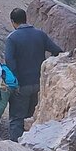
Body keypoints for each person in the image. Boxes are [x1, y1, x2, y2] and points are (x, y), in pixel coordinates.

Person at [5, 8, 62, 142]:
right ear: (26, 19)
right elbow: (57, 51)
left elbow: (9, 61)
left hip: (21, 84)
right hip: (39, 84)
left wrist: (14, 81)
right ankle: (31, 144)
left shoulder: (12, 38)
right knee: (32, 116)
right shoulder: (40, 34)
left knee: (17, 118)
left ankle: (16, 148)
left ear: (13, 22)